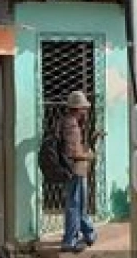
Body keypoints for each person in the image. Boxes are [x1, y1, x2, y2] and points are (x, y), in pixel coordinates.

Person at [60, 90, 102, 254]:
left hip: (78, 170)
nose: (86, 111)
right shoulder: (71, 125)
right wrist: (89, 156)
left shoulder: (74, 123)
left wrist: (92, 139)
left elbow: (78, 146)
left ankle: (89, 234)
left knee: (80, 205)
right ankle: (70, 241)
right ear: (77, 108)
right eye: (84, 108)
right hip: (75, 170)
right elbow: (73, 152)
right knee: (75, 205)